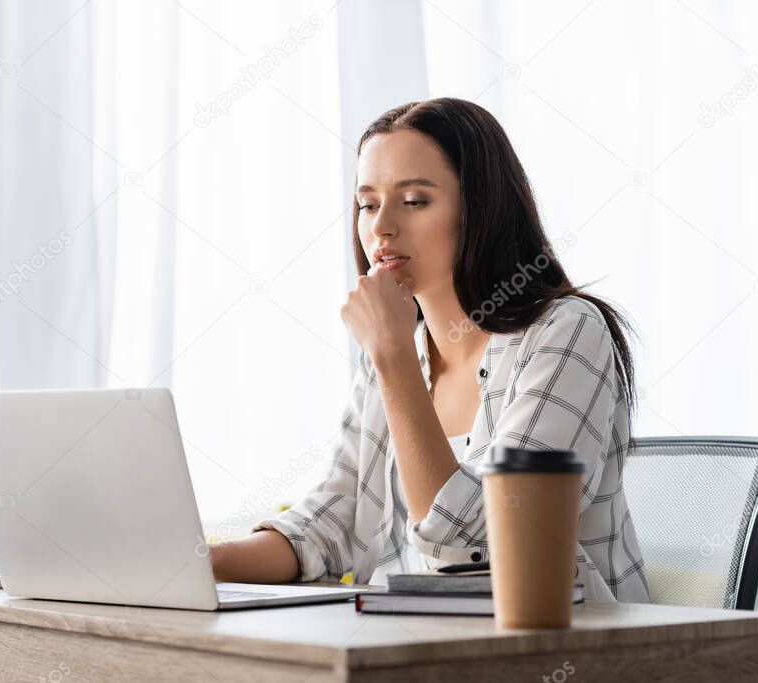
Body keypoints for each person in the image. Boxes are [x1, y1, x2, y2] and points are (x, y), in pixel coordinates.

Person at [209, 97, 650, 603]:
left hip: (560, 648)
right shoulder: (399, 349)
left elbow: (476, 547)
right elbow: (336, 520)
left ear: (480, 209)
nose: (381, 227)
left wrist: (393, 358)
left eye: (414, 200)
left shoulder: (566, 332)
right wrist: (201, 561)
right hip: (419, 642)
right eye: (368, 203)